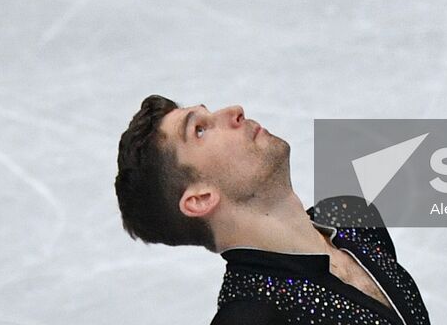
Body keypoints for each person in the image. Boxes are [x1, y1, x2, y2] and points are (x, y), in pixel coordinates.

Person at [115, 95, 430, 325]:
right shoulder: (251, 316)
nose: (234, 111)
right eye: (200, 130)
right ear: (199, 199)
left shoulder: (351, 217)